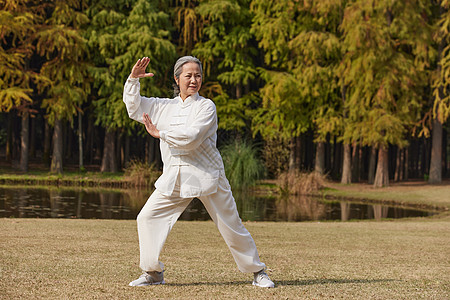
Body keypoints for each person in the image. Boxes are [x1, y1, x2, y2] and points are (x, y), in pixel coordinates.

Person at [123, 56, 274, 288]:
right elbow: (134, 108)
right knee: (147, 217)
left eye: (198, 75)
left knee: (231, 224)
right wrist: (133, 79)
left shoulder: (206, 106)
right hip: (174, 177)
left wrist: (160, 134)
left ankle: (258, 272)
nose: (194, 80)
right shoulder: (163, 106)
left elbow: (192, 138)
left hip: (208, 176)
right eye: (188, 75)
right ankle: (153, 273)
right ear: (177, 78)